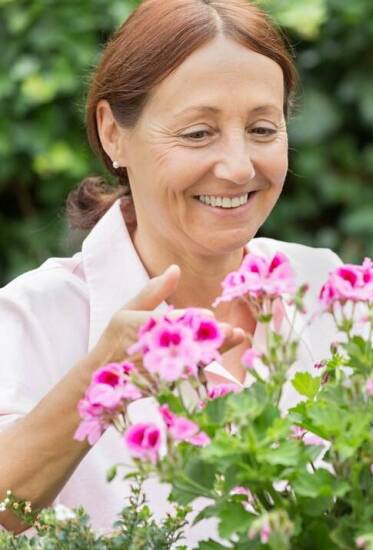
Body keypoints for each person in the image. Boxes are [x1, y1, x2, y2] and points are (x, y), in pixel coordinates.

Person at [0, 0, 339, 537]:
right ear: (113, 133)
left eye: (262, 129)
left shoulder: (326, 284)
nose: (238, 167)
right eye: (198, 133)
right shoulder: (31, 318)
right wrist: (101, 375)